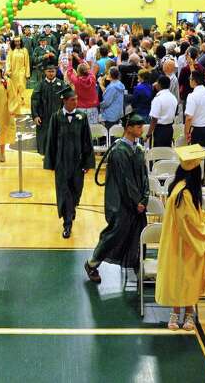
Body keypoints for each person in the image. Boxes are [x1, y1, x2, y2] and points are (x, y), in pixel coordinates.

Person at [84, 114, 149, 282]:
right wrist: (137, 202)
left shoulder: (138, 149)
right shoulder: (119, 151)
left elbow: (144, 177)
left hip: (136, 203)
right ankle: (92, 264)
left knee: (137, 232)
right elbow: (124, 181)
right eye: (138, 126)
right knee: (114, 234)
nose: (141, 129)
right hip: (121, 203)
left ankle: (136, 263)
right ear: (128, 128)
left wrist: (144, 199)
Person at [155, 144, 205, 332]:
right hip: (185, 242)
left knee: (186, 278)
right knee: (183, 277)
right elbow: (189, 224)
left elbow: (192, 216)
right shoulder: (184, 193)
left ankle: (188, 313)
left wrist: (202, 217)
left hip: (181, 241)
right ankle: (178, 311)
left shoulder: (181, 187)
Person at [44, 88, 95, 239]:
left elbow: (87, 141)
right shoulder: (56, 117)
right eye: (72, 100)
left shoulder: (82, 117)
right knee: (64, 192)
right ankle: (67, 223)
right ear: (64, 101)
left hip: (78, 163)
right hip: (62, 162)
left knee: (76, 191)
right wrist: (51, 163)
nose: (76, 102)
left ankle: (71, 210)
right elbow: (51, 141)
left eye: (76, 99)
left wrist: (87, 162)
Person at [31, 61, 65, 156]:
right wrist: (35, 116)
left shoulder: (61, 84)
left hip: (57, 116)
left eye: (52, 71)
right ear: (45, 72)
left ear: (55, 72)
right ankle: (46, 157)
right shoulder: (40, 85)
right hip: (43, 117)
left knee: (57, 136)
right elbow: (34, 100)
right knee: (44, 137)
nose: (51, 73)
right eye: (49, 71)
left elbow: (67, 100)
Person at [184, 70, 205, 149]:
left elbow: (189, 118)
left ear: (193, 81)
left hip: (198, 131)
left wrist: (186, 133)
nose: (189, 80)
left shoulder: (192, 96)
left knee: (197, 158)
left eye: (190, 79)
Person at [147, 75, 178, 148]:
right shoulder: (173, 97)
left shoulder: (158, 99)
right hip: (170, 129)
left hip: (160, 130)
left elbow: (154, 119)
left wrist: (148, 134)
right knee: (167, 152)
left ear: (159, 84)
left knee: (158, 153)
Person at [5, 38, 30, 115]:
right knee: (14, 88)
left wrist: (27, 74)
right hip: (14, 72)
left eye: (18, 41)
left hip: (22, 71)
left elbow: (27, 62)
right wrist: (8, 71)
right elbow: (8, 61)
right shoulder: (11, 51)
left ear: (20, 42)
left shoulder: (24, 50)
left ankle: (23, 102)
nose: (17, 43)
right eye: (16, 41)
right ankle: (15, 104)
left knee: (22, 86)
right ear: (14, 42)